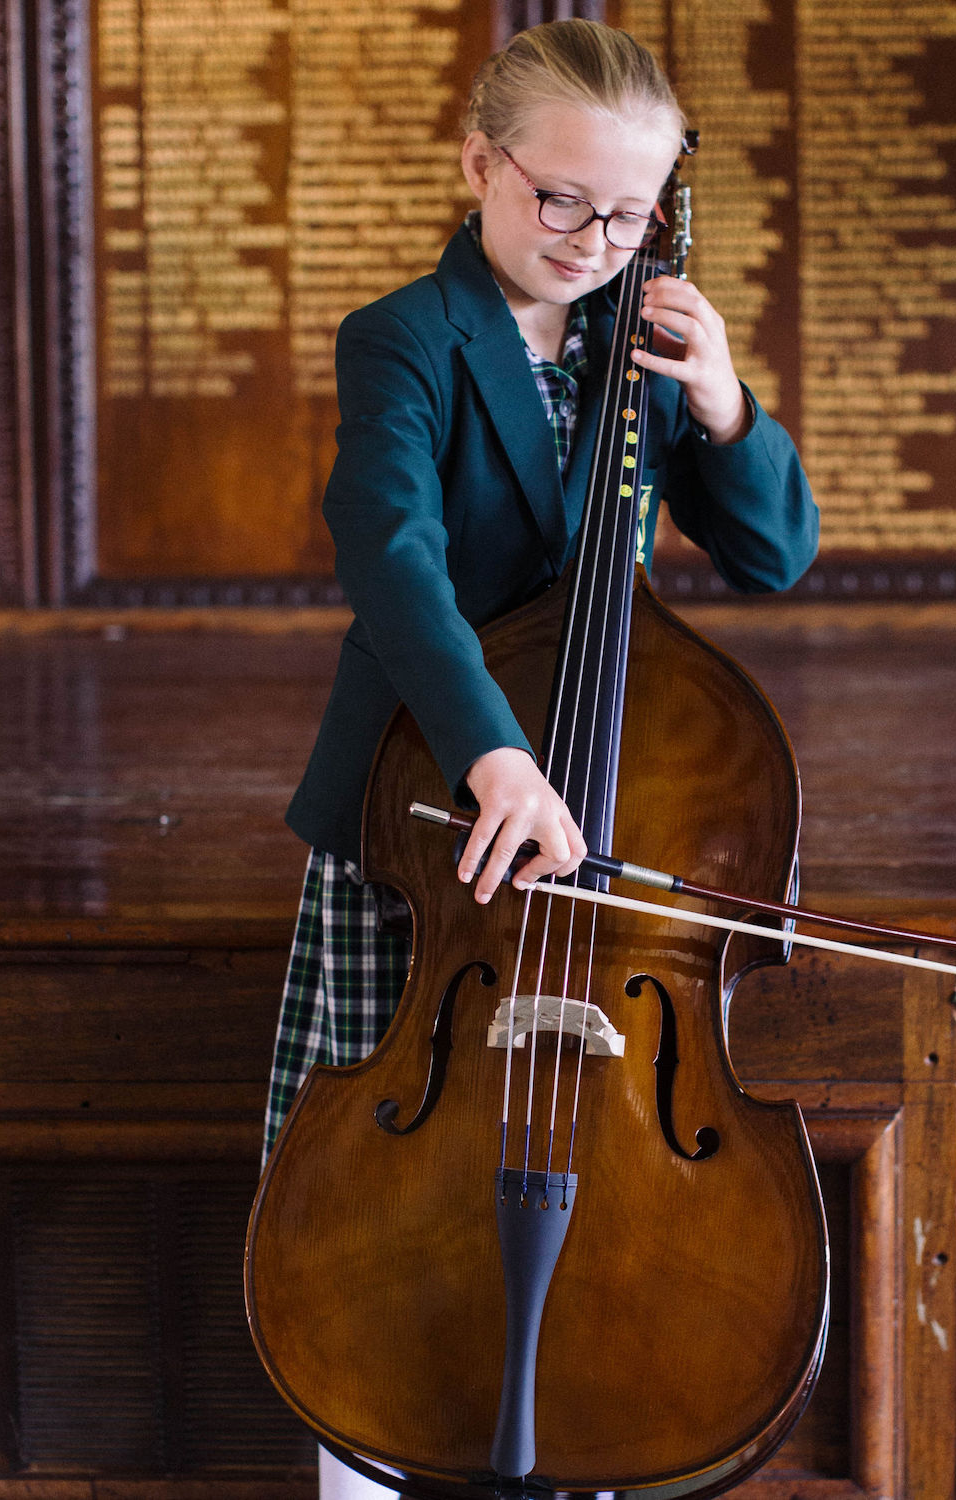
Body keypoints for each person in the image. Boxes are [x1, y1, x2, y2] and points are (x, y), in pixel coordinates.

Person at [261, 20, 819, 1495]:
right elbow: (392, 559)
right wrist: (494, 756)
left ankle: (587, 1424)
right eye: (560, 198)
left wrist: (724, 403)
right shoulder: (406, 338)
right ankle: (368, 1447)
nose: (592, 240)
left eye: (629, 213)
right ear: (480, 164)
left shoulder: (646, 338)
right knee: (382, 1189)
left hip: (605, 808)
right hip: (426, 802)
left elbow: (772, 556)